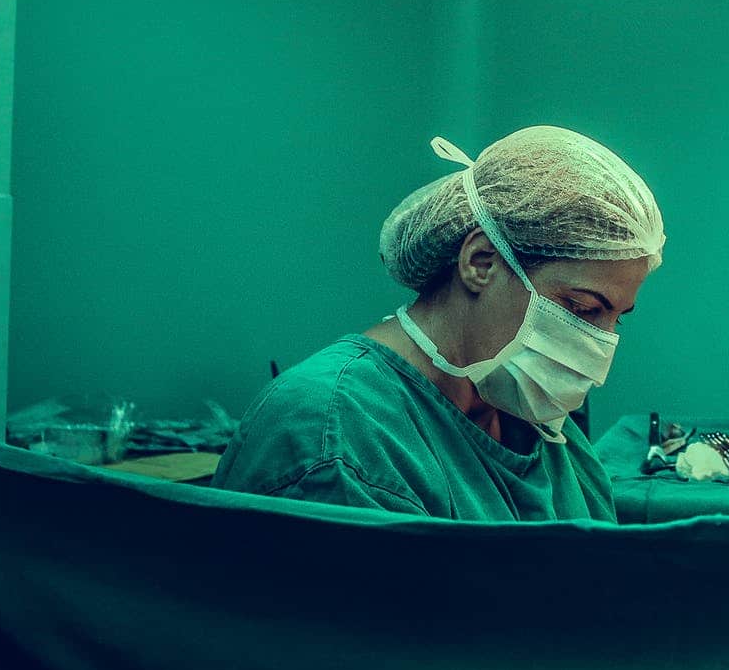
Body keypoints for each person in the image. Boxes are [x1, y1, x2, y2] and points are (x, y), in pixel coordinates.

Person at [215, 126, 664, 519]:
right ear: (481, 262)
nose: (597, 348)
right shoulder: (333, 433)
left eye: (616, 320)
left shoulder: (539, 430)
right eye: (582, 308)